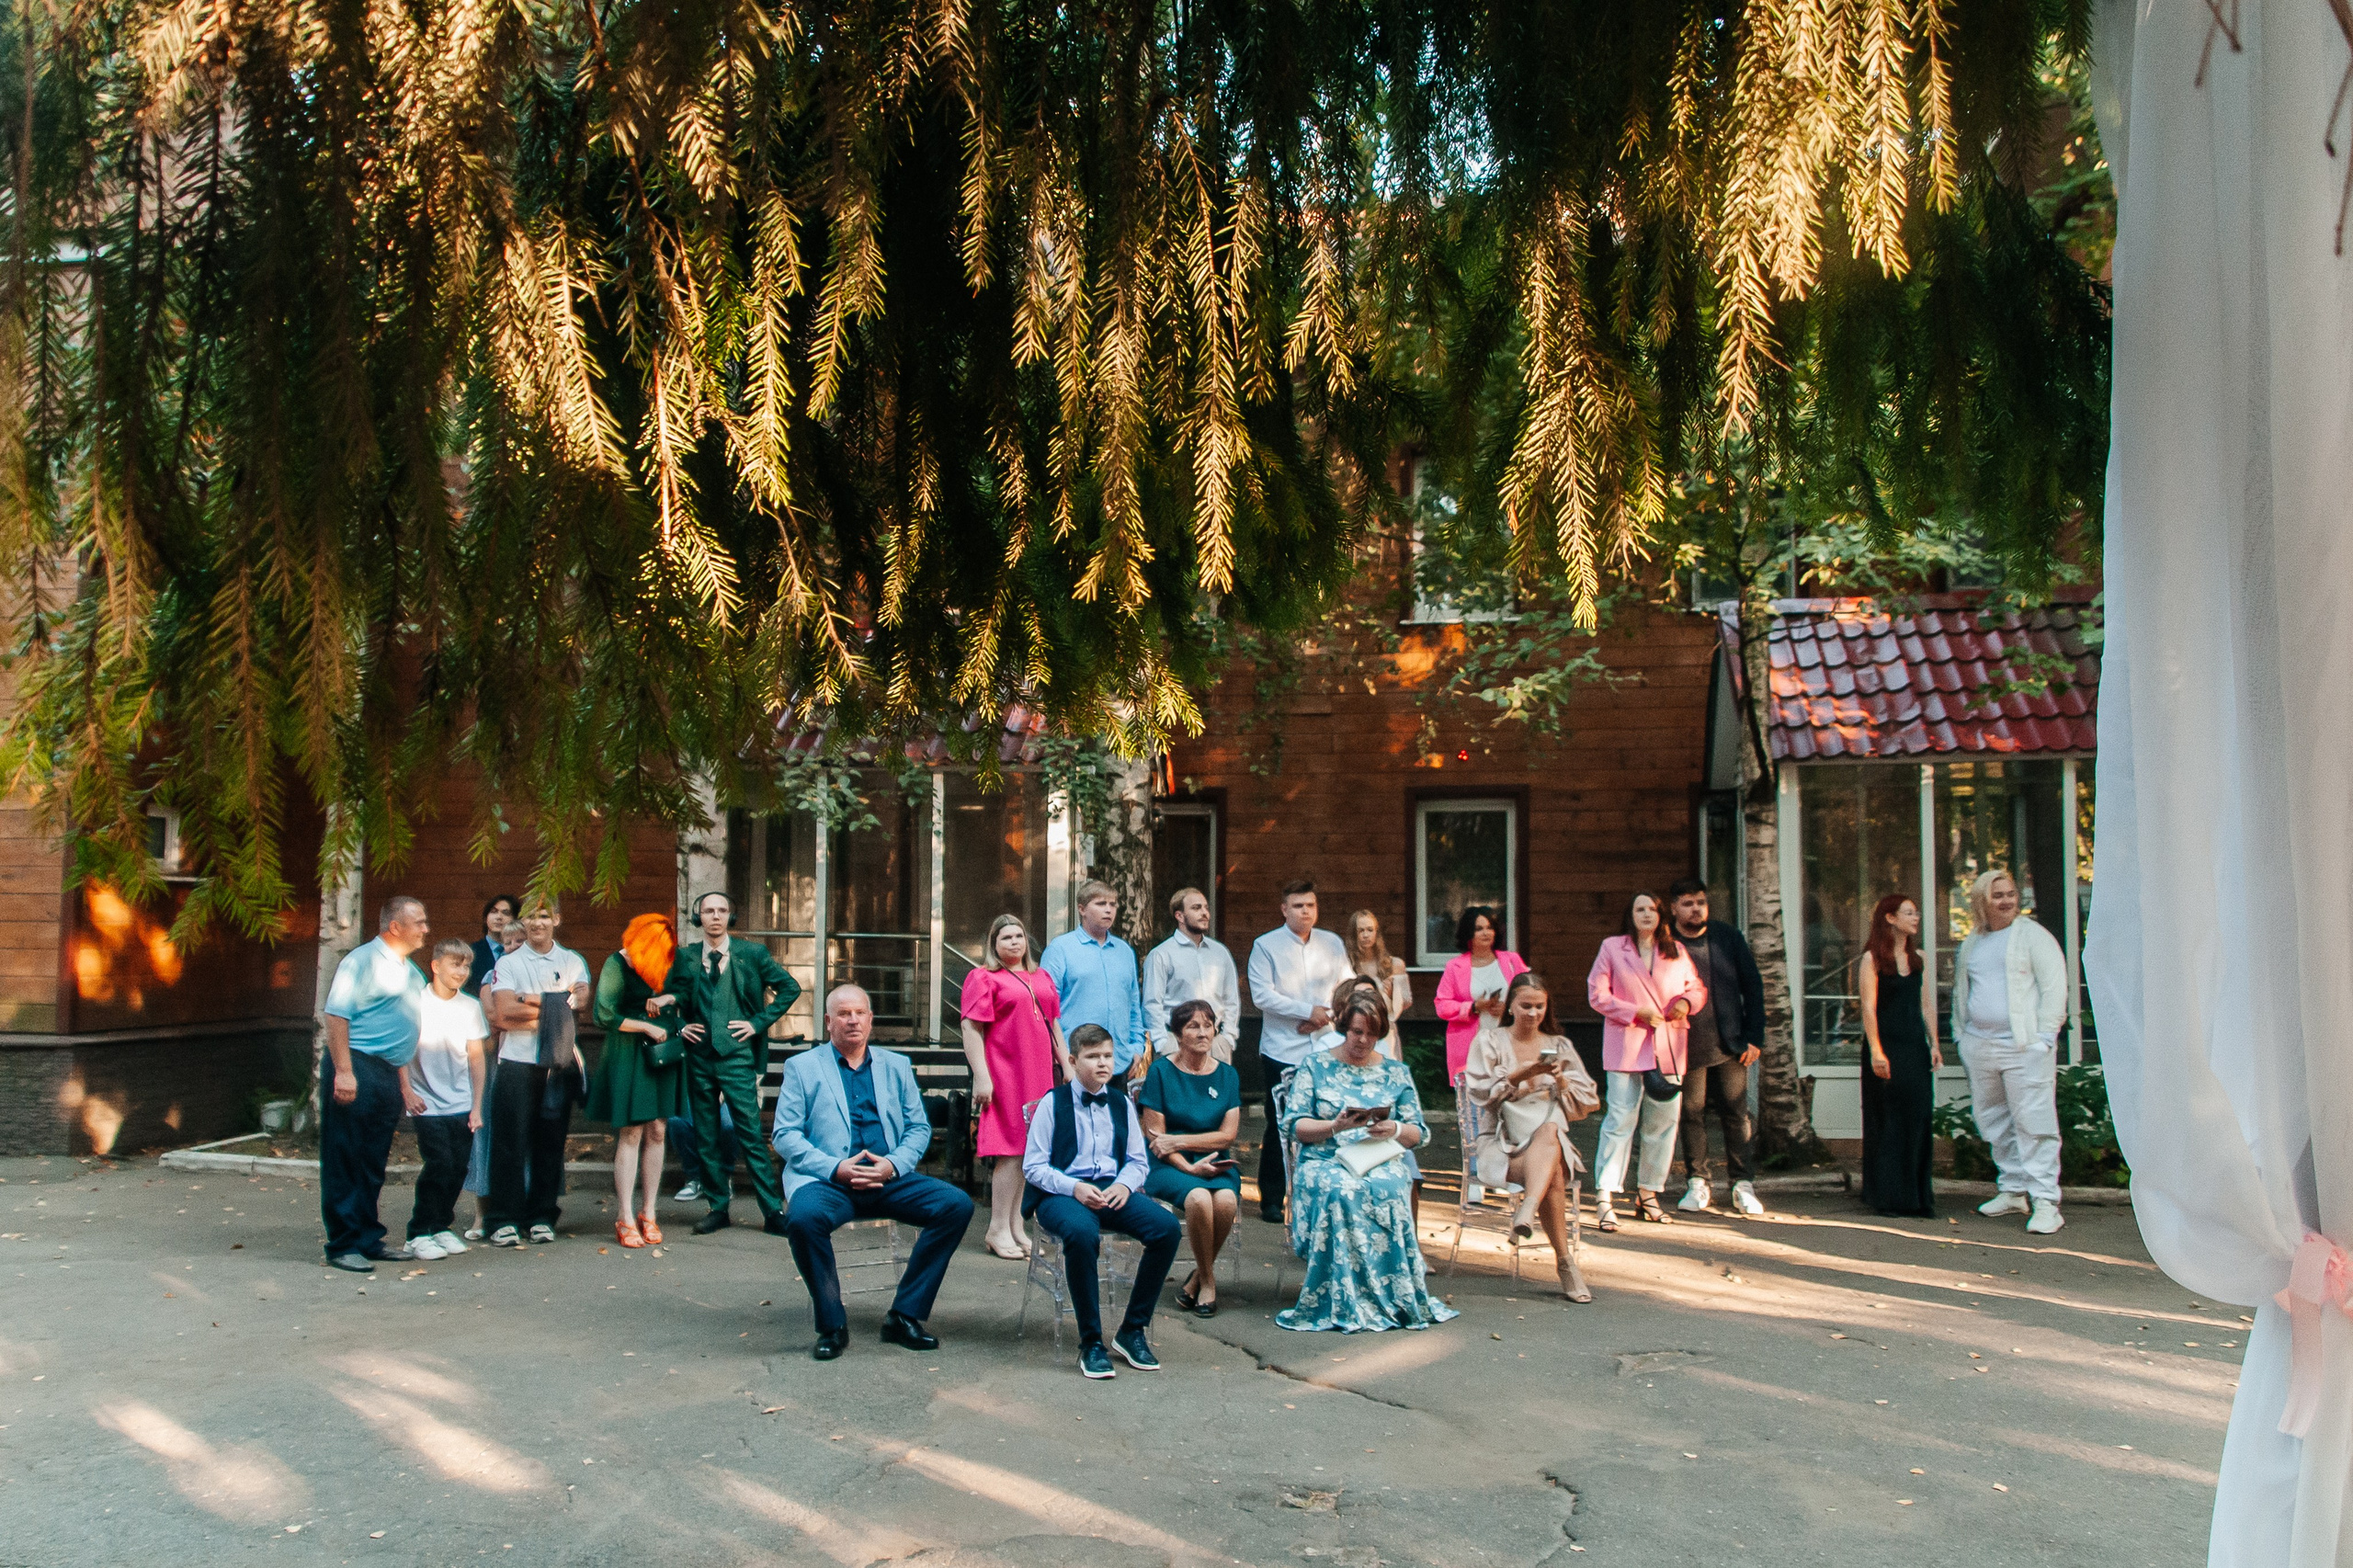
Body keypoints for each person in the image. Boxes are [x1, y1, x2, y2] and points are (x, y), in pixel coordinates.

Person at [773, 985, 976, 1361]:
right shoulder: (802, 1067)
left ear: (870, 1020)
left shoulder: (895, 1065)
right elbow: (784, 1135)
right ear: (828, 1021)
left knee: (956, 1205)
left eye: (860, 1013)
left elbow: (918, 1128)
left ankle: (905, 1315)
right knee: (802, 1219)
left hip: (888, 1177)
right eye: (844, 1014)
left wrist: (892, 1164)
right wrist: (835, 1168)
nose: (853, 1020)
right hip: (829, 1181)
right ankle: (832, 1324)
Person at [1277, 991, 1457, 1333]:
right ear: (1345, 1026)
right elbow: (1294, 1125)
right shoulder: (1316, 1065)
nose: (1362, 1040)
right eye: (1357, 1031)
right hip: (1325, 1157)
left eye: (1371, 1034)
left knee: (1389, 1184)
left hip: (1376, 1156)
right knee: (1342, 1190)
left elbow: (1419, 1131)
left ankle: (1388, 1293)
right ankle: (1342, 1297)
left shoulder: (1396, 1072)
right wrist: (1334, 1126)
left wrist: (1395, 1128)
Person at [1023, 1024, 1183, 1378]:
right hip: (1061, 1194)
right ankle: (1091, 1342)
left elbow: (1138, 1162)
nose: (1102, 1064)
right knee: (1082, 1234)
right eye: (1093, 1056)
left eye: (1108, 1056)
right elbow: (1033, 1167)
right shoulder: (1053, 1103)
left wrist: (1125, 1186)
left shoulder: (1122, 1103)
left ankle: (1132, 1330)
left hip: (1112, 1190)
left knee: (1166, 1228)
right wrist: (1073, 1187)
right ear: (1072, 1060)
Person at [1461, 972, 1597, 1302]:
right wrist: (1524, 1074)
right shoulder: (1489, 1041)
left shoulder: (1559, 1045)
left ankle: (1528, 1211)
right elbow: (1480, 1095)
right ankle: (1565, 1263)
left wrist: (1561, 1080)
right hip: (1502, 1142)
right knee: (1553, 1171)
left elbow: (1588, 1101)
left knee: (1550, 1131)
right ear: (1510, 1006)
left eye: (1539, 1006)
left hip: (1547, 1138)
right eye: (1525, 1006)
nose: (1533, 1013)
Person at [676, 892, 803, 1237]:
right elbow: (671, 997)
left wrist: (758, 1023)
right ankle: (717, 1207)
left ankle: (773, 1211)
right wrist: (679, 1026)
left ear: (730, 916)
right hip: (699, 1058)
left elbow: (790, 988)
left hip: (737, 1057)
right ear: (698, 917)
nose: (715, 916)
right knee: (705, 1135)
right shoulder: (686, 957)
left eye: (722, 910)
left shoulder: (752, 953)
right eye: (708, 911)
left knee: (749, 1133)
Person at [1951, 869, 2069, 1234]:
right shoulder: (1973, 941)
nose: (2007, 901)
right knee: (1994, 1119)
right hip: (1981, 1045)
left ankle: (2047, 1202)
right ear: (1982, 902)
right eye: (1998, 895)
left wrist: (2045, 1037)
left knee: (2034, 1122)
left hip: (2023, 1046)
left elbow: (2055, 986)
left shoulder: (2032, 936)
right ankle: (2014, 1189)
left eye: (2011, 894)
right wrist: (1961, 1036)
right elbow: (1961, 991)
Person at [319, 897, 433, 1272]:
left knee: (371, 1161)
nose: (425, 929)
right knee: (346, 1157)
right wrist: (345, 1071)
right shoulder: (361, 961)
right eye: (418, 922)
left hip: (386, 1073)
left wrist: (403, 1085)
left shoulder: (410, 971)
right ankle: (343, 1244)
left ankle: (368, 1238)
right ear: (395, 926)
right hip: (357, 1066)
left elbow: (405, 1030)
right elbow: (336, 1016)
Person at [1587, 892, 1707, 1230]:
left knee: (1663, 1122)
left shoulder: (1675, 950)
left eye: (1653, 909)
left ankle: (1649, 1193)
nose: (1647, 914)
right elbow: (1597, 995)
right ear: (1631, 914)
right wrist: (1633, 1011)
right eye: (1640, 908)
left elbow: (1697, 988)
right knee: (1620, 1120)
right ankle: (1605, 1195)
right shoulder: (1613, 948)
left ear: (1661, 915)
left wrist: (1686, 1002)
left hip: (1669, 1045)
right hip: (1627, 1043)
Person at [959, 913, 1070, 1259]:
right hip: (1005, 1073)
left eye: (1018, 936)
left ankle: (1015, 1224)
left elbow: (1054, 1025)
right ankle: (995, 1228)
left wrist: (1067, 1064)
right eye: (1005, 937)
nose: (1014, 943)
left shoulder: (1041, 976)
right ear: (994, 943)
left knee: (1029, 1151)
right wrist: (981, 1075)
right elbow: (971, 1030)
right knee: (1010, 1150)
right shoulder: (984, 978)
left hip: (1039, 1072)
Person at [483, 895, 591, 1247]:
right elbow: (503, 1014)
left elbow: (580, 1005)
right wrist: (554, 1005)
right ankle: (503, 1219)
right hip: (516, 1063)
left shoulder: (572, 961)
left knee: (550, 1143)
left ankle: (542, 1216)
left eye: (545, 915)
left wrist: (530, 1000)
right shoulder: (510, 962)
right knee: (509, 1143)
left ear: (557, 919)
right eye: (531, 916)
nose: (538, 922)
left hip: (557, 1065)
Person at [1246, 880, 1354, 1222]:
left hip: (1326, 1044)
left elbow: (1348, 987)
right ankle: (1273, 1199)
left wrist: (1327, 1016)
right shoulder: (1265, 945)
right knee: (1280, 1122)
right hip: (1283, 1048)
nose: (1305, 911)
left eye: (1310, 905)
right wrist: (1307, 1011)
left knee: (1327, 1118)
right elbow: (1262, 995)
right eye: (1297, 906)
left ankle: (1319, 1195)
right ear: (1284, 909)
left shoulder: (1332, 943)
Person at [1665, 879, 1768, 1217]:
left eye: (1701, 902)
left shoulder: (1727, 937)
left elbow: (1753, 986)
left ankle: (1742, 1184)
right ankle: (1698, 1181)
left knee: (1736, 1112)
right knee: (1691, 1112)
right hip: (1685, 1042)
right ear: (1674, 908)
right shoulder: (1666, 942)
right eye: (1688, 903)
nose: (1696, 909)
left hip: (1731, 1041)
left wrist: (1755, 1036)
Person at [587, 913, 688, 1249]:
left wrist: (667, 998)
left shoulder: (668, 961)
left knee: (658, 1127)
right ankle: (625, 1215)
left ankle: (650, 1211)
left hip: (663, 1053)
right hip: (630, 1050)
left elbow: (687, 991)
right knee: (631, 1130)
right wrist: (644, 1024)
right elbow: (603, 1013)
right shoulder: (618, 963)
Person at [1138, 999, 1244, 1317]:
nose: (1202, 1033)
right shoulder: (1160, 1071)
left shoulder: (1227, 1075)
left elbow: (1227, 1135)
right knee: (1198, 1199)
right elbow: (1156, 1137)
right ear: (1178, 1034)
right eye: (1193, 1026)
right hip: (1167, 1165)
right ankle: (1208, 1282)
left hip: (1215, 1162)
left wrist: (1181, 1141)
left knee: (1226, 1201)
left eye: (1208, 1025)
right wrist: (1187, 1165)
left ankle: (1197, 1276)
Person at [403, 937, 491, 1262]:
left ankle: (440, 1226)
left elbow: (477, 1058)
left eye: (466, 965)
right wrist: (407, 1091)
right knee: (438, 1164)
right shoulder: (416, 1003)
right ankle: (418, 1232)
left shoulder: (470, 1007)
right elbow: (401, 1050)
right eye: (456, 964)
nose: (462, 971)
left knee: (457, 1168)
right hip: (426, 1102)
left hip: (461, 1103)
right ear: (436, 965)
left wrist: (477, 1106)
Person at [1859, 894, 1941, 1218]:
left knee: (1918, 1116)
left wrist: (1934, 1043)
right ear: (1890, 918)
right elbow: (1868, 1007)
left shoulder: (1919, 958)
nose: (1916, 918)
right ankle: (1889, 1196)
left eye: (1916, 913)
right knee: (1888, 1119)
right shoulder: (1872, 959)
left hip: (1914, 1047)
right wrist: (1876, 1050)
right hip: (1885, 1045)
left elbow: (1926, 1004)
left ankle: (1918, 1197)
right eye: (1909, 913)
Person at [460, 915, 531, 1239]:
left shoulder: (534, 974)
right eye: (509, 942)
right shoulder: (493, 974)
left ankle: (523, 1209)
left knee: (525, 1135)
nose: (514, 947)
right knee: (486, 1134)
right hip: (494, 1063)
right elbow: (496, 1017)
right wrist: (536, 1011)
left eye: (521, 941)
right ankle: (480, 1214)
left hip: (527, 1062)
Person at [1041, 881, 1149, 1083]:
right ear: (1082, 909)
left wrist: (1136, 1047)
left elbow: (1133, 1004)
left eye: (1113, 904)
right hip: (1076, 1061)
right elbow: (1047, 1010)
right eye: (1100, 904)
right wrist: (1063, 1059)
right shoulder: (1060, 949)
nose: (1108, 910)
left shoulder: (1124, 951)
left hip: (1118, 1062)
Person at [1432, 907, 1529, 1086]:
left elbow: (1530, 993)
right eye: (1479, 929)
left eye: (1490, 927)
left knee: (1510, 1096)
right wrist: (1474, 1007)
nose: (1486, 933)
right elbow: (1442, 1005)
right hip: (1471, 1044)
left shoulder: (1511, 960)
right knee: (1473, 1104)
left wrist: (1510, 1008)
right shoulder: (1455, 966)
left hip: (1509, 1039)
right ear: (1468, 933)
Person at [1142, 887, 1240, 1062]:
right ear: (1179, 916)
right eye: (1196, 908)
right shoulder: (1162, 954)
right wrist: (1162, 1043)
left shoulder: (1220, 953)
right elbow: (1152, 1003)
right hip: (1175, 1043)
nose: (1204, 913)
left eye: (1206, 908)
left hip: (1215, 1043)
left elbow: (1231, 999)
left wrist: (1228, 1038)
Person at [1343, 910, 1412, 1061]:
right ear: (1353, 935)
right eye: (1360, 931)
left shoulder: (1394, 964)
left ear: (1377, 932)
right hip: (1356, 1031)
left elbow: (1406, 1001)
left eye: (1370, 930)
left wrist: (1394, 992)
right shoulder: (1346, 965)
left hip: (1385, 1031)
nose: (1366, 935)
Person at [468, 894, 518, 993]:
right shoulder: (471, 952)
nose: (499, 917)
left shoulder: (520, 952)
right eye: (493, 912)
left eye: (506, 913)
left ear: (515, 920)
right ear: (485, 918)